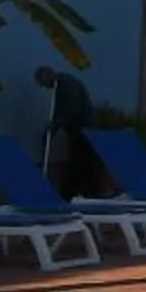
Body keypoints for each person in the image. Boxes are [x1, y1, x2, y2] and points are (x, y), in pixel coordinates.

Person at [36, 63, 97, 198]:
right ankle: (83, 191)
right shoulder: (64, 83)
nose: (45, 88)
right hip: (82, 128)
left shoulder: (65, 85)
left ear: (48, 76)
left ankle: (73, 192)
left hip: (82, 128)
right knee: (82, 160)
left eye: (43, 84)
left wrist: (54, 125)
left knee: (79, 160)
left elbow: (70, 109)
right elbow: (61, 110)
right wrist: (53, 128)